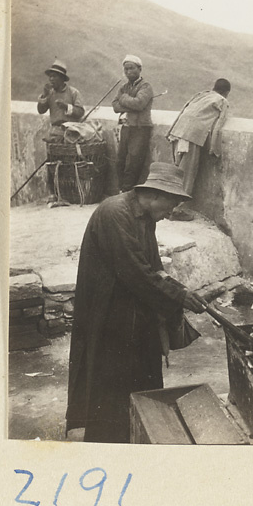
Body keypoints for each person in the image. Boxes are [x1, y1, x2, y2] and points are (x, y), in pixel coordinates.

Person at [66, 162, 206, 443]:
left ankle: (137, 431)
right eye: (169, 207)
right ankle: (108, 443)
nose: (169, 215)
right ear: (155, 195)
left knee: (142, 373)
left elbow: (152, 265)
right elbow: (134, 270)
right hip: (107, 312)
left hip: (131, 307)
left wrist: (179, 288)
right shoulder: (115, 213)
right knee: (110, 382)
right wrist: (179, 297)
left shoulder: (145, 217)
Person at [165, 78, 231, 219]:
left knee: (176, 171)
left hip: (178, 132)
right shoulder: (222, 101)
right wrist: (214, 149)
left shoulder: (202, 94)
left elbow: (184, 109)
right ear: (226, 92)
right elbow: (218, 127)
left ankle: (167, 207)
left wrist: (170, 131)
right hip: (193, 136)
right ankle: (176, 210)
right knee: (187, 174)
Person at [112, 55, 154, 192]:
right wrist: (131, 104)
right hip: (126, 127)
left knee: (133, 162)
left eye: (131, 68)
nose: (128, 72)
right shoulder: (124, 87)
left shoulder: (146, 86)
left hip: (140, 128)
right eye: (126, 69)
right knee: (120, 161)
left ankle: (128, 192)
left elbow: (139, 104)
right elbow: (114, 106)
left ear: (139, 69)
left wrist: (123, 98)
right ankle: (122, 190)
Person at [37, 59, 85, 142]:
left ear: (62, 78)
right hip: (54, 133)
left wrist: (66, 106)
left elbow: (80, 112)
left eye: (54, 76)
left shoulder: (73, 92)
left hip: (71, 133)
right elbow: (41, 111)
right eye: (50, 76)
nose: (51, 79)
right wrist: (44, 95)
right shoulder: (50, 93)